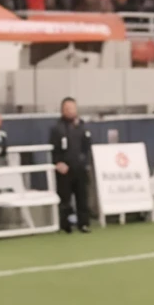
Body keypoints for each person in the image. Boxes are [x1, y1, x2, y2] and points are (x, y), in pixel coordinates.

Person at [50, 96, 93, 233]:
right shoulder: (57, 128)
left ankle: (84, 223)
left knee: (82, 196)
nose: (70, 111)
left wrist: (85, 162)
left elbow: (87, 147)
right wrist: (58, 163)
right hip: (64, 169)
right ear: (62, 110)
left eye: (72, 108)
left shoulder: (82, 126)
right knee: (65, 199)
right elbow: (54, 149)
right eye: (67, 108)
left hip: (80, 168)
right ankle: (65, 224)